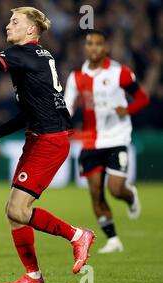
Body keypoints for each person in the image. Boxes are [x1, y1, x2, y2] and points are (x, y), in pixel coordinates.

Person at [0, 6, 96, 283]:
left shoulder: (23, 54)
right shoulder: (37, 57)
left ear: (31, 30)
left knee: (19, 210)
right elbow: (32, 110)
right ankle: (33, 275)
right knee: (13, 211)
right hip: (39, 136)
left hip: (49, 140)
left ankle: (77, 235)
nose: (8, 26)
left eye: (15, 22)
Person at [64, 30, 149, 254]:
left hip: (116, 138)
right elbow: (68, 107)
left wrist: (127, 109)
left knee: (115, 189)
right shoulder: (76, 77)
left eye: (98, 44)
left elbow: (142, 98)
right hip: (90, 142)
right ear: (85, 47)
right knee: (95, 193)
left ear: (106, 48)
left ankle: (129, 196)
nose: (93, 48)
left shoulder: (119, 72)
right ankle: (113, 239)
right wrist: (63, 123)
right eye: (89, 43)